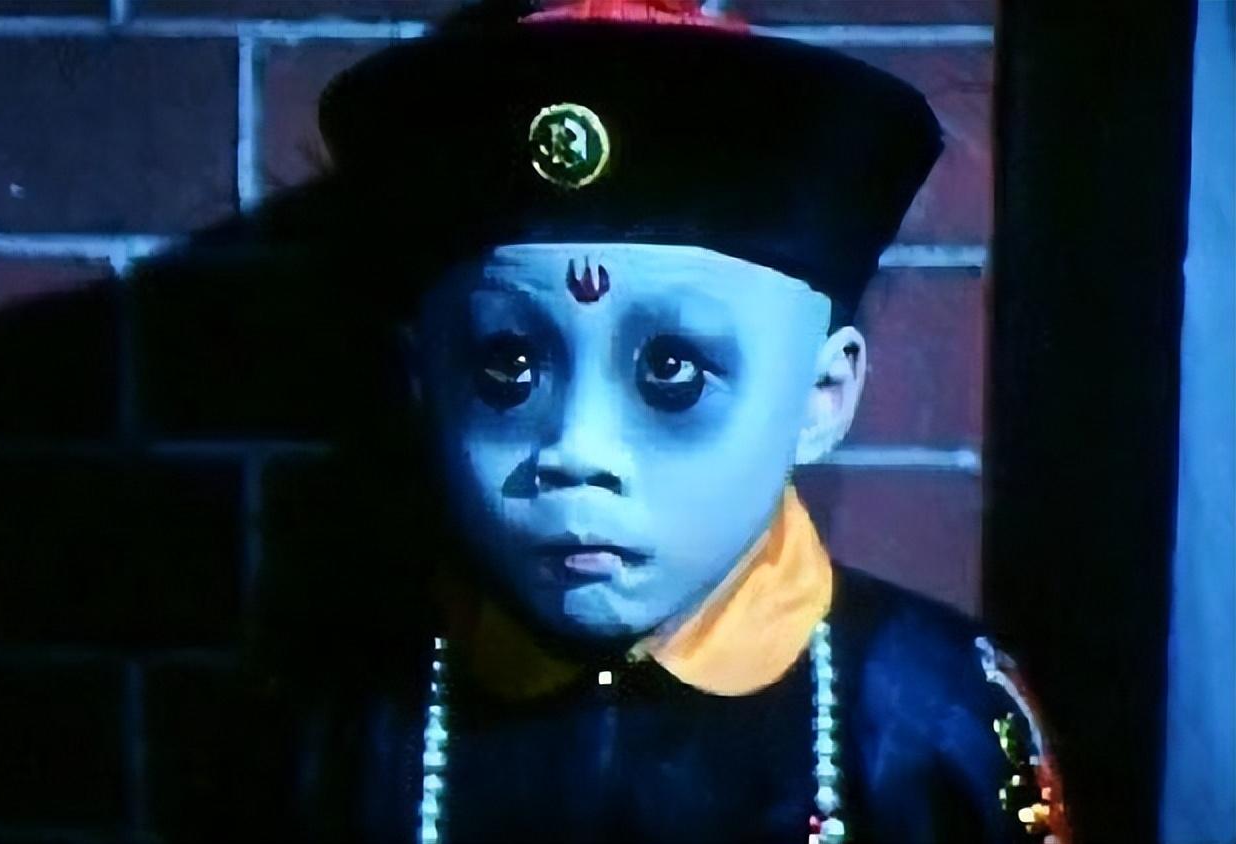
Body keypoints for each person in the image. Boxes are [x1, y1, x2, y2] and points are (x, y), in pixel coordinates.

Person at [268, 1, 1072, 841]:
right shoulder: (350, 716)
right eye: (509, 368)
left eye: (673, 372)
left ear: (821, 395)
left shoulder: (930, 715)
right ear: (423, 384)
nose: (577, 450)